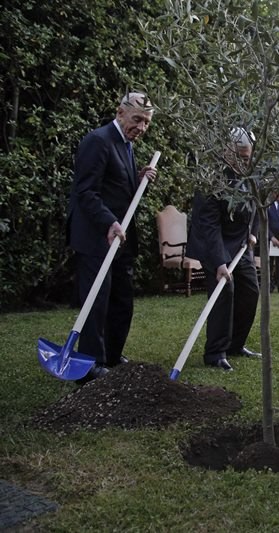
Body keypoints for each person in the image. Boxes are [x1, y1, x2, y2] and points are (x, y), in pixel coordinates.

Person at [67, 92, 157, 383]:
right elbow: (86, 191)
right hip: (96, 237)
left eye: (146, 123)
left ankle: (113, 356)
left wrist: (139, 177)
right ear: (120, 112)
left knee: (122, 300)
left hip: (119, 239)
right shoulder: (98, 140)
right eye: (137, 119)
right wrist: (108, 221)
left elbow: (117, 187)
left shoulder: (126, 145)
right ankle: (90, 364)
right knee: (97, 301)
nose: (141, 127)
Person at [187, 128, 261, 371]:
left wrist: (252, 232)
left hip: (239, 244)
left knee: (250, 290)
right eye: (239, 157)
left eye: (246, 157)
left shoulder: (250, 175)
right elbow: (208, 224)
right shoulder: (212, 178)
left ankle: (235, 344)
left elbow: (259, 205)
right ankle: (215, 352)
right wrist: (219, 262)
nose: (243, 162)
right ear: (227, 151)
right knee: (224, 292)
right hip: (214, 244)